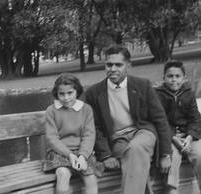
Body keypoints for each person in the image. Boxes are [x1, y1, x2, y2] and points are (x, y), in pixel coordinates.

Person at [84, 44, 172, 194]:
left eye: (118, 65)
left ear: (128, 66)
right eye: (109, 65)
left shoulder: (142, 85)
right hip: (117, 139)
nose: (112, 69)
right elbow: (95, 127)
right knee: (134, 159)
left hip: (143, 132)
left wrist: (166, 153)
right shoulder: (94, 93)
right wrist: (106, 155)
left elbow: (160, 120)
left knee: (136, 148)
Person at [43, 73, 98, 194]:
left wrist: (82, 156)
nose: (66, 98)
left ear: (77, 92)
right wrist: (70, 155)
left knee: (90, 177)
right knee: (63, 173)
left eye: (70, 93)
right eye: (61, 94)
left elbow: (89, 136)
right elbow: (52, 138)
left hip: (82, 151)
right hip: (59, 152)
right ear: (56, 94)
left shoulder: (86, 109)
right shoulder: (51, 111)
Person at [156, 60, 201, 194]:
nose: (173, 80)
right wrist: (173, 138)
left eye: (177, 76)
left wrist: (189, 137)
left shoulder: (188, 94)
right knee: (172, 159)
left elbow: (196, 119)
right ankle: (171, 191)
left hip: (188, 136)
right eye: (170, 76)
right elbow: (160, 121)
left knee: (199, 155)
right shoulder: (157, 95)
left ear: (184, 78)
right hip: (168, 137)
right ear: (164, 78)